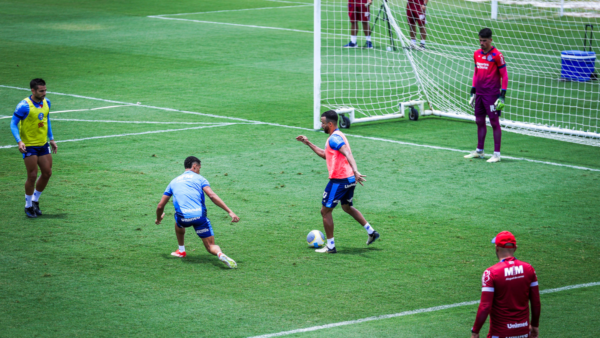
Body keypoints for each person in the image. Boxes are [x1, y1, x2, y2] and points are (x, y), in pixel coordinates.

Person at [296, 110, 379, 254]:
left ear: (329, 123)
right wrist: (308, 143)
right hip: (349, 179)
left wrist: (356, 169)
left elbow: (347, 153)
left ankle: (331, 246)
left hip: (339, 181)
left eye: (322, 123)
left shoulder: (334, 138)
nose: (321, 125)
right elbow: (325, 155)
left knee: (325, 211)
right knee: (347, 207)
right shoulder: (337, 136)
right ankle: (371, 232)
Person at [155, 156, 240, 269]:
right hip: (199, 218)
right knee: (210, 246)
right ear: (194, 166)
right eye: (199, 168)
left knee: (177, 221)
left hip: (183, 219)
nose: (199, 171)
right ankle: (220, 254)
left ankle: (181, 251)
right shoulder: (200, 179)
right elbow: (212, 195)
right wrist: (230, 211)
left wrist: (158, 218)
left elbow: (160, 205)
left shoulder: (173, 181)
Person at [471, 231, 541, 338]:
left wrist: (475, 331)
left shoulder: (490, 273)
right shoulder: (529, 269)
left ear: (496, 248)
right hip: (523, 333)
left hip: (500, 333)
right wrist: (535, 325)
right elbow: (536, 302)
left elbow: (485, 306)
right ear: (515, 248)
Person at [10, 78, 57, 218]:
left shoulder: (46, 102)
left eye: (45, 90)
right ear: (33, 90)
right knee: (32, 176)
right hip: (29, 145)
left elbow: (46, 120)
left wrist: (52, 139)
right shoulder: (24, 105)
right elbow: (13, 124)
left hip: (43, 144)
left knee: (47, 173)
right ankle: (28, 206)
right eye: (41, 91)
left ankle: (35, 201)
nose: (44, 93)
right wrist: (19, 141)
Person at [464, 28, 508, 163]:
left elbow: (504, 75)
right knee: (479, 121)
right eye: (480, 40)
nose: (481, 43)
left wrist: (502, 95)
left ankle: (496, 154)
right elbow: (476, 73)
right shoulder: (476, 54)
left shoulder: (497, 55)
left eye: (484, 41)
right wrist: (473, 91)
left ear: (490, 40)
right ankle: (480, 151)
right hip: (480, 94)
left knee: (494, 122)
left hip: (492, 95)